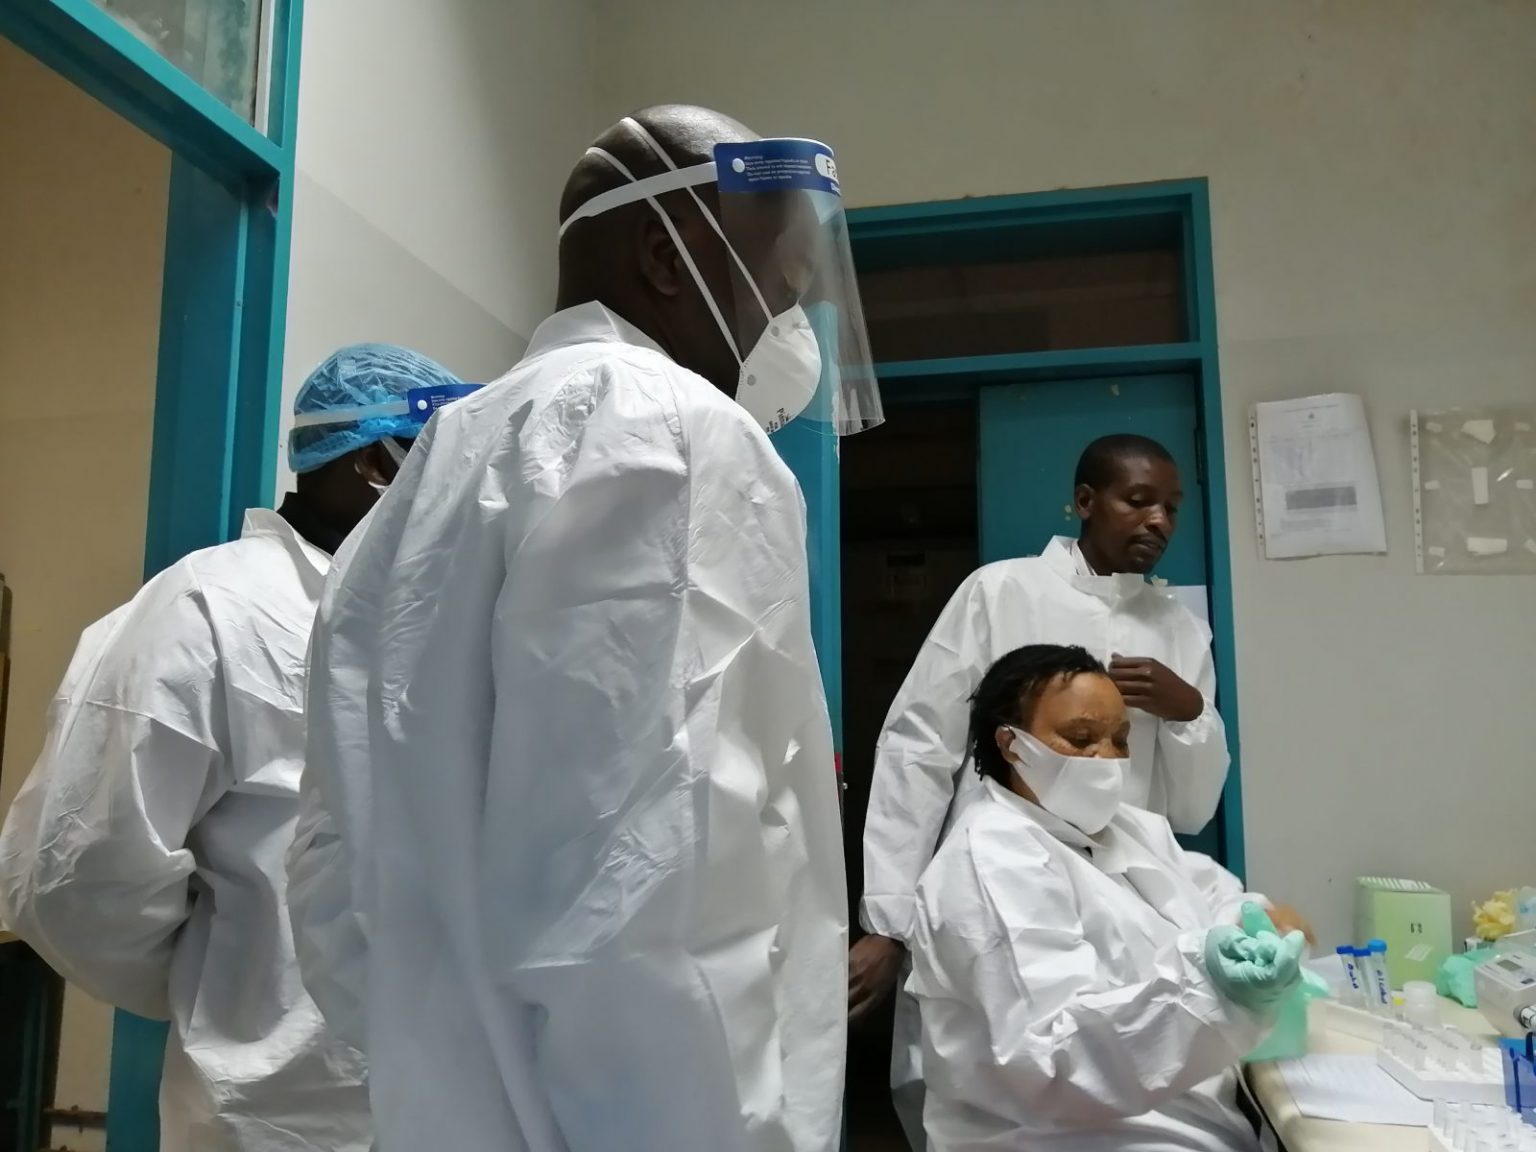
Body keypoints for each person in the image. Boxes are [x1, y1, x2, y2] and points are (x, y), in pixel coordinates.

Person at [289, 106, 882, 1152]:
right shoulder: (675, 435)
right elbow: (658, 900)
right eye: (777, 280)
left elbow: (334, 868)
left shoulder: (432, 469)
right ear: (665, 254)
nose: (788, 319)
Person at [0, 343, 469, 1152]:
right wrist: (226, 986)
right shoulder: (210, 610)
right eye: (443, 463)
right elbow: (76, 876)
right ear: (372, 465)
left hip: (438, 1109)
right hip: (270, 1116)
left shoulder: (428, 621)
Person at [909, 644, 1307, 1151]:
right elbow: (1051, 1057)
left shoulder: (1130, 829)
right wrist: (1212, 987)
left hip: (1181, 1113)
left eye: (1120, 739)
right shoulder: (992, 857)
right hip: (1067, 1138)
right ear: (1011, 745)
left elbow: (1215, 895)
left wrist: (1253, 926)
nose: (1108, 758)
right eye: (1081, 738)